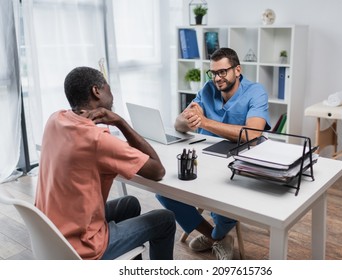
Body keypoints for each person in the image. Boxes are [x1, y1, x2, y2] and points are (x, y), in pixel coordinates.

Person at [35, 66, 176, 260]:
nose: (112, 94)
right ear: (96, 91)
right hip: (80, 247)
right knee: (165, 219)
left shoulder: (55, 119)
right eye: (108, 87)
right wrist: (121, 122)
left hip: (52, 234)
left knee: (130, 204)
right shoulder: (97, 140)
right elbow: (157, 170)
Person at [156, 47, 270, 260]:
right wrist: (187, 119)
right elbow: (179, 123)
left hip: (240, 163)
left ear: (237, 70)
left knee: (224, 193)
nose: (217, 78)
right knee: (163, 191)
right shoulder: (207, 89)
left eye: (223, 72)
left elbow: (252, 134)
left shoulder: (256, 91)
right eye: (214, 73)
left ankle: (218, 233)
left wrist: (205, 121)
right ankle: (216, 236)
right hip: (206, 159)